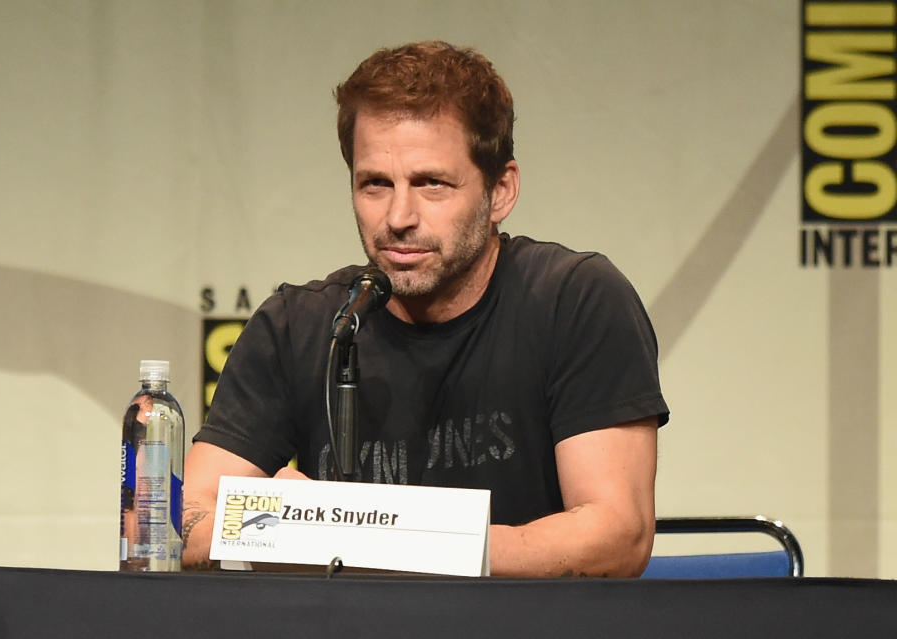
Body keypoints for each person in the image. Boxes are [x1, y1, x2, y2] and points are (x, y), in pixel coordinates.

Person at [182, 41, 669, 577]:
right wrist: (289, 527)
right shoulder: (299, 325)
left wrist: (366, 540)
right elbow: (188, 517)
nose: (398, 216)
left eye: (431, 183)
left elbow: (617, 536)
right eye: (375, 184)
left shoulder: (575, 301)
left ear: (500, 191)